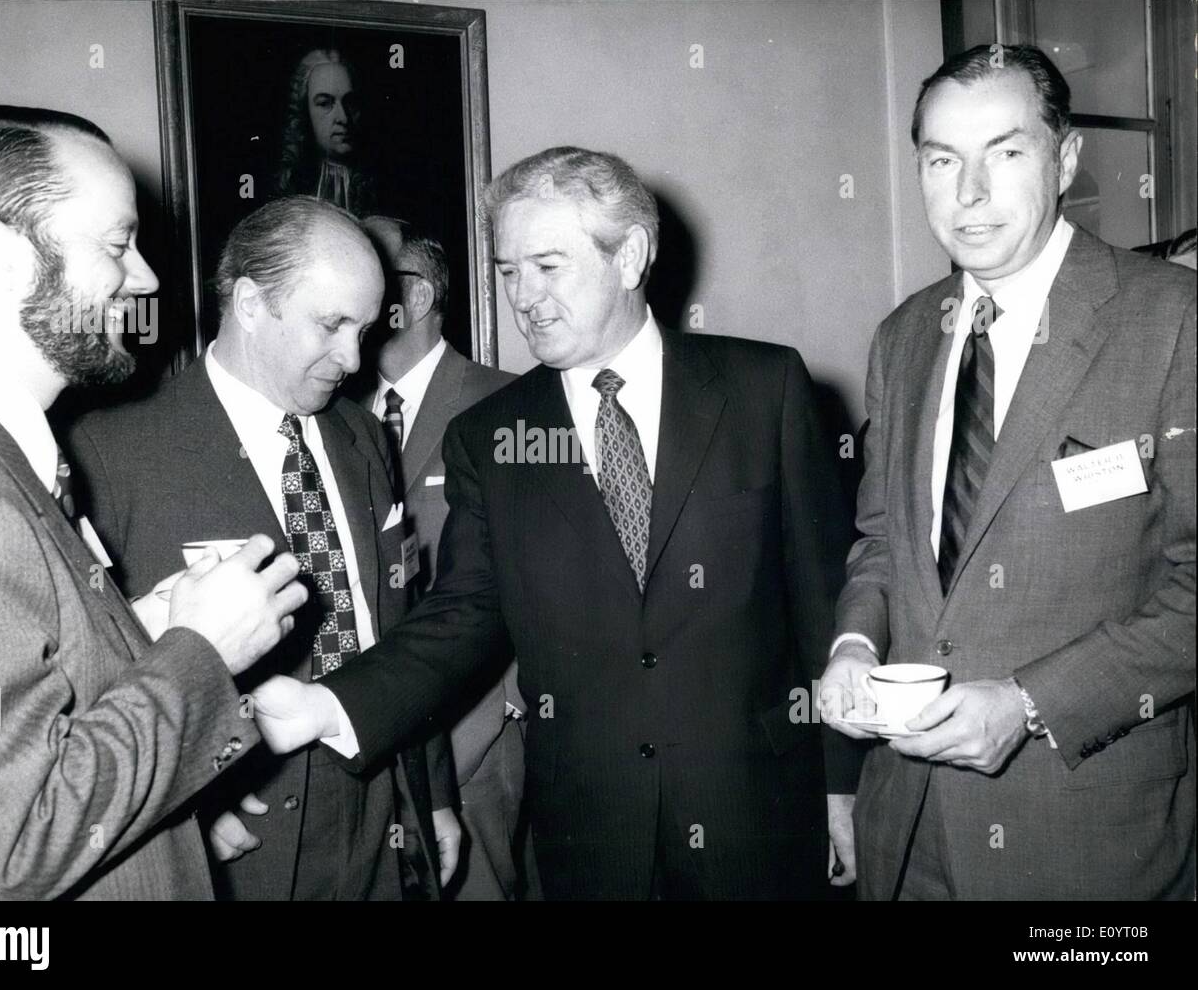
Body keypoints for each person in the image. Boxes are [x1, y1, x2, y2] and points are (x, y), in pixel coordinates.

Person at [253, 146, 861, 900]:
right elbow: (462, 616)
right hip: (591, 834)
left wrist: (846, 785)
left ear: (630, 256)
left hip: (759, 812)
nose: (524, 297)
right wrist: (333, 703)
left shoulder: (762, 388)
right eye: (508, 272)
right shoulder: (491, 436)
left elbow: (825, 598)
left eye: (548, 266)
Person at [0, 105, 308, 899]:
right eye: (117, 245)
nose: (148, 277)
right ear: (3, 258)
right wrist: (199, 650)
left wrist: (130, 635)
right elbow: (20, 843)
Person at [819, 44, 1196, 900]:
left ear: (1065, 158)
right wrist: (852, 644)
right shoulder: (905, 335)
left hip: (1090, 847)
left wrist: (1028, 704)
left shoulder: (1173, 318)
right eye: (942, 160)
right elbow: (881, 543)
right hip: (908, 833)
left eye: (1007, 152)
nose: (970, 194)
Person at [68, 196, 460, 900]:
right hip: (244, 827)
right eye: (332, 324)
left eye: (365, 331)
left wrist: (432, 796)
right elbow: (82, 679)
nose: (351, 359)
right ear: (250, 303)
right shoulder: (112, 451)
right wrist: (171, 804)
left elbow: (403, 624)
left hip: (381, 796)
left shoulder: (362, 436)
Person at [356, 215, 531, 900]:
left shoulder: (509, 401)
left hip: (476, 729)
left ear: (418, 297)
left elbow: (550, 571)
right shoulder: (338, 416)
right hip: (377, 733)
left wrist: (506, 710)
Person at [274, 48, 377, 215]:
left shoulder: (381, 190)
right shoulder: (291, 185)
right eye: (325, 103)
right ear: (304, 112)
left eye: (350, 103)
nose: (342, 118)